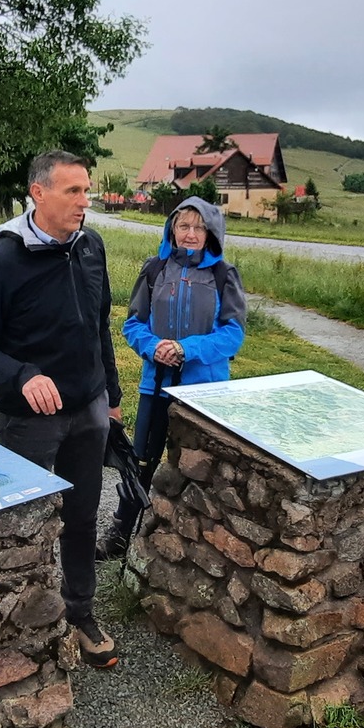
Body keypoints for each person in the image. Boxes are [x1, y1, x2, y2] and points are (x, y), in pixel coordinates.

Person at [0, 150, 124, 671]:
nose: (84, 201)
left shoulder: (91, 247)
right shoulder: (2, 261)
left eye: (87, 189)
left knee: (80, 515)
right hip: (29, 422)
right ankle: (24, 622)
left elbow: (100, 326)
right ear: (38, 193)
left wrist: (112, 396)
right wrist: (22, 375)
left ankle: (80, 613)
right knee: (26, 522)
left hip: (90, 409)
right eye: (73, 191)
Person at [104, 197, 247, 552]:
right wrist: (153, 347)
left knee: (198, 467)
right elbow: (133, 324)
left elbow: (232, 335)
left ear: (211, 232)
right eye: (183, 226)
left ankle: (189, 542)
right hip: (156, 386)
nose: (191, 233)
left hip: (204, 392)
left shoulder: (223, 275)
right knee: (140, 462)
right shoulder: (154, 270)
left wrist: (187, 349)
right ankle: (121, 534)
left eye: (199, 227)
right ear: (172, 229)